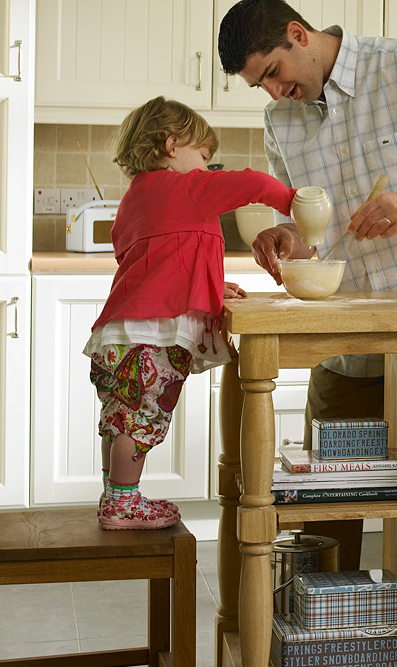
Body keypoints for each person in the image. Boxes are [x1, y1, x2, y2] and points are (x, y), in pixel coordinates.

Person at [216, 0, 397, 567]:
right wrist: (286, 239)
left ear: (299, 34)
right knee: (324, 503)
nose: (273, 93)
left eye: (273, 72)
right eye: (260, 86)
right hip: (349, 340)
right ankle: (322, 638)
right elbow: (307, 224)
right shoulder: (281, 120)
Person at [85, 95, 297, 529]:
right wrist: (296, 201)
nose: (205, 167)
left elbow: (159, 261)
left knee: (121, 416)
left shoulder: (134, 200)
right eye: (203, 155)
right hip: (152, 335)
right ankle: (123, 506)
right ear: (171, 144)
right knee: (140, 417)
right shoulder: (186, 189)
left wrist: (211, 287)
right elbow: (254, 183)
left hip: (120, 331)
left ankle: (116, 496)